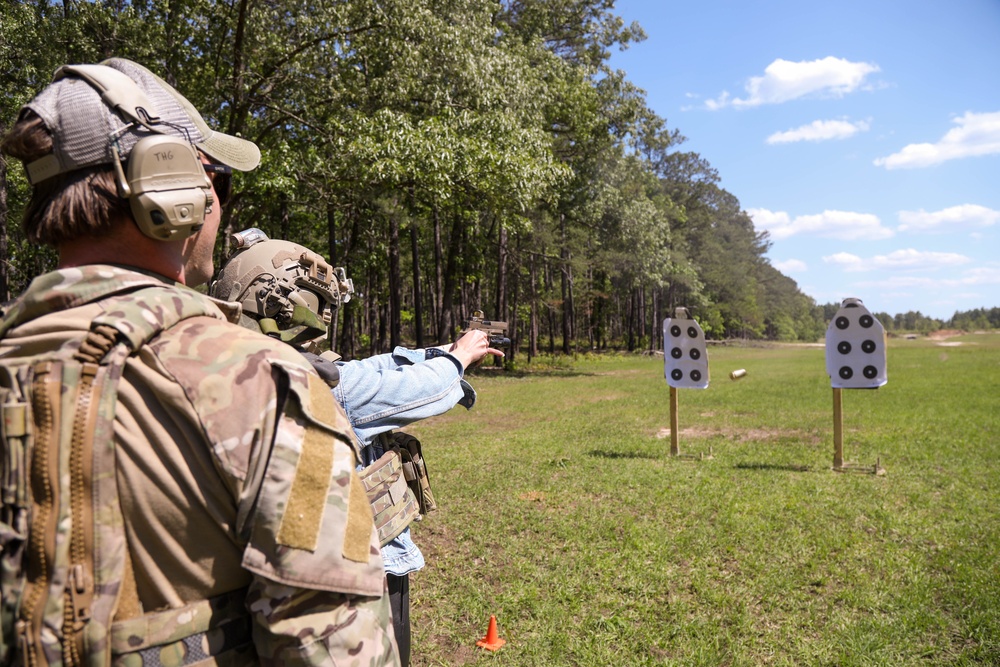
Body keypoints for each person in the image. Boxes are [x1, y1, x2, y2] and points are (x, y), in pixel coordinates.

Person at [0, 59, 398, 666]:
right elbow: (336, 651)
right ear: (175, 191)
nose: (219, 204)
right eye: (217, 183)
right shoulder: (259, 381)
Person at [209, 231, 503, 666]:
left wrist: (444, 350)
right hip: (361, 578)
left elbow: (370, 368)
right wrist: (456, 359)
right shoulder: (321, 387)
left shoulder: (244, 369)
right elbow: (413, 390)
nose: (325, 315)